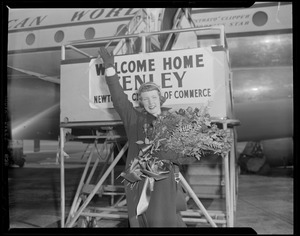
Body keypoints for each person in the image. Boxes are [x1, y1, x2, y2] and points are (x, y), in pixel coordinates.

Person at [98, 47, 187, 227]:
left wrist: (177, 155)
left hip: (165, 182)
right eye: (145, 99)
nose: (150, 102)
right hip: (140, 181)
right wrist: (109, 68)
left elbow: (183, 155)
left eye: (153, 97)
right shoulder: (135, 120)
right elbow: (119, 99)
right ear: (140, 102)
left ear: (160, 98)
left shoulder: (173, 120)